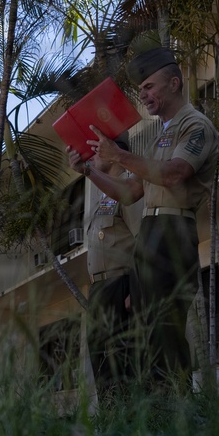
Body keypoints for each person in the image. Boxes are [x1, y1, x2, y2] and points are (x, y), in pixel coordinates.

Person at [69, 48, 219, 388]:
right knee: (147, 339)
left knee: (165, 333)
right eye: (141, 90)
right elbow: (129, 192)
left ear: (174, 83)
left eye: (150, 86)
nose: (144, 95)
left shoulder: (196, 125)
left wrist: (120, 154)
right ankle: (156, 421)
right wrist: (89, 170)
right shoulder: (159, 136)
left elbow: (174, 174)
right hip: (151, 233)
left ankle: (182, 415)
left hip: (173, 229)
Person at [70, 138, 141, 392]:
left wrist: (135, 290)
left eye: (96, 152)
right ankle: (111, 425)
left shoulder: (129, 192)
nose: (91, 158)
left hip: (120, 287)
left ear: (112, 154)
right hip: (99, 290)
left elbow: (142, 242)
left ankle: (129, 424)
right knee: (102, 366)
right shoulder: (104, 199)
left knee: (120, 362)